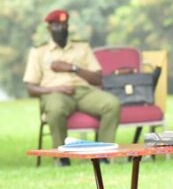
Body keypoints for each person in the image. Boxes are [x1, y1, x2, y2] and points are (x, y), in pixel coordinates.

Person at [23, 9, 120, 166]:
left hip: (83, 92)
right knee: (55, 109)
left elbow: (97, 78)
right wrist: (55, 89)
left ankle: (103, 155)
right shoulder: (39, 52)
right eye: (56, 26)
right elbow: (30, 87)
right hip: (54, 93)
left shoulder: (82, 47)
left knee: (112, 104)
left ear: (68, 27)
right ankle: (62, 158)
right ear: (49, 28)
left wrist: (72, 67)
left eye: (64, 25)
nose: (60, 29)